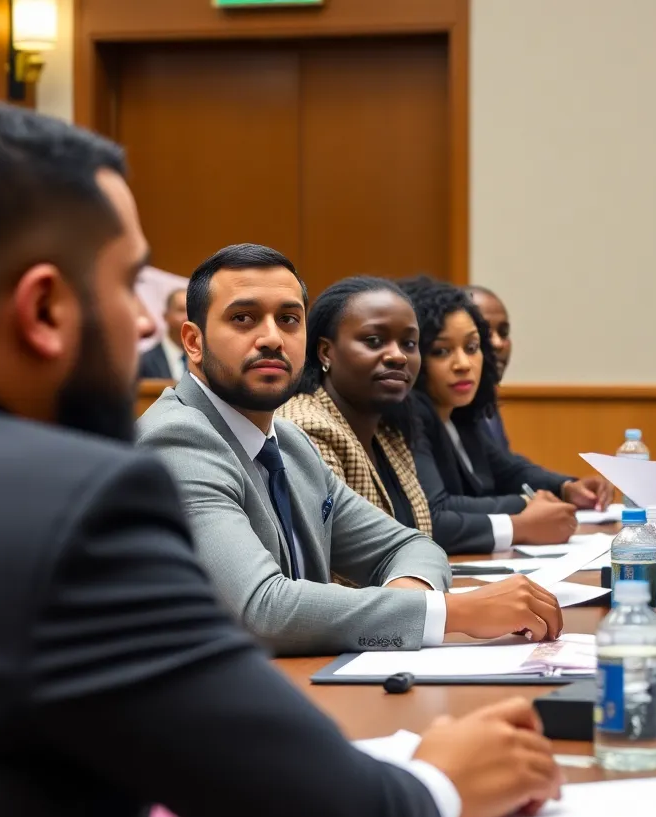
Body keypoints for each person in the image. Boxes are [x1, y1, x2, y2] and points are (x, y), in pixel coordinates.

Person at [0, 102, 561, 817]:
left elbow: (400, 539)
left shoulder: (284, 442)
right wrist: (441, 782)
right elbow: (325, 802)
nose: (144, 325)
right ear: (43, 310)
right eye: (128, 283)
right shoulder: (69, 502)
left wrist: (422, 592)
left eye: (289, 319)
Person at [137, 247, 563, 655]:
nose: (271, 338)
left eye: (288, 319)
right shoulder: (177, 439)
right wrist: (451, 612)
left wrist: (408, 600)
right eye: (244, 318)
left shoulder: (290, 444)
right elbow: (262, 610)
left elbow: (411, 545)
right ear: (193, 343)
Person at [402, 277, 611, 554]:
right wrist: (526, 505)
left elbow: (508, 468)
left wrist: (565, 487)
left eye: (472, 348)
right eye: (442, 351)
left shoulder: (461, 412)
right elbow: (435, 511)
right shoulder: (412, 414)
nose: (463, 364)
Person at [279, 277, 433, 535]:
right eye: (374, 340)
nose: (398, 356)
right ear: (326, 352)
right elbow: (341, 557)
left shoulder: (389, 434)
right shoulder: (306, 427)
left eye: (409, 343)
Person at [466, 285, 513, 450]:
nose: (498, 343)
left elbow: (506, 467)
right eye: (485, 333)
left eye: (504, 332)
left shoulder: (486, 399)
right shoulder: (449, 408)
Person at [137, 287, 188, 380]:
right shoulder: (143, 362)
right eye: (181, 310)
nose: (188, 317)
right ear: (166, 316)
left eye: (192, 311)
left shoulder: (206, 361)